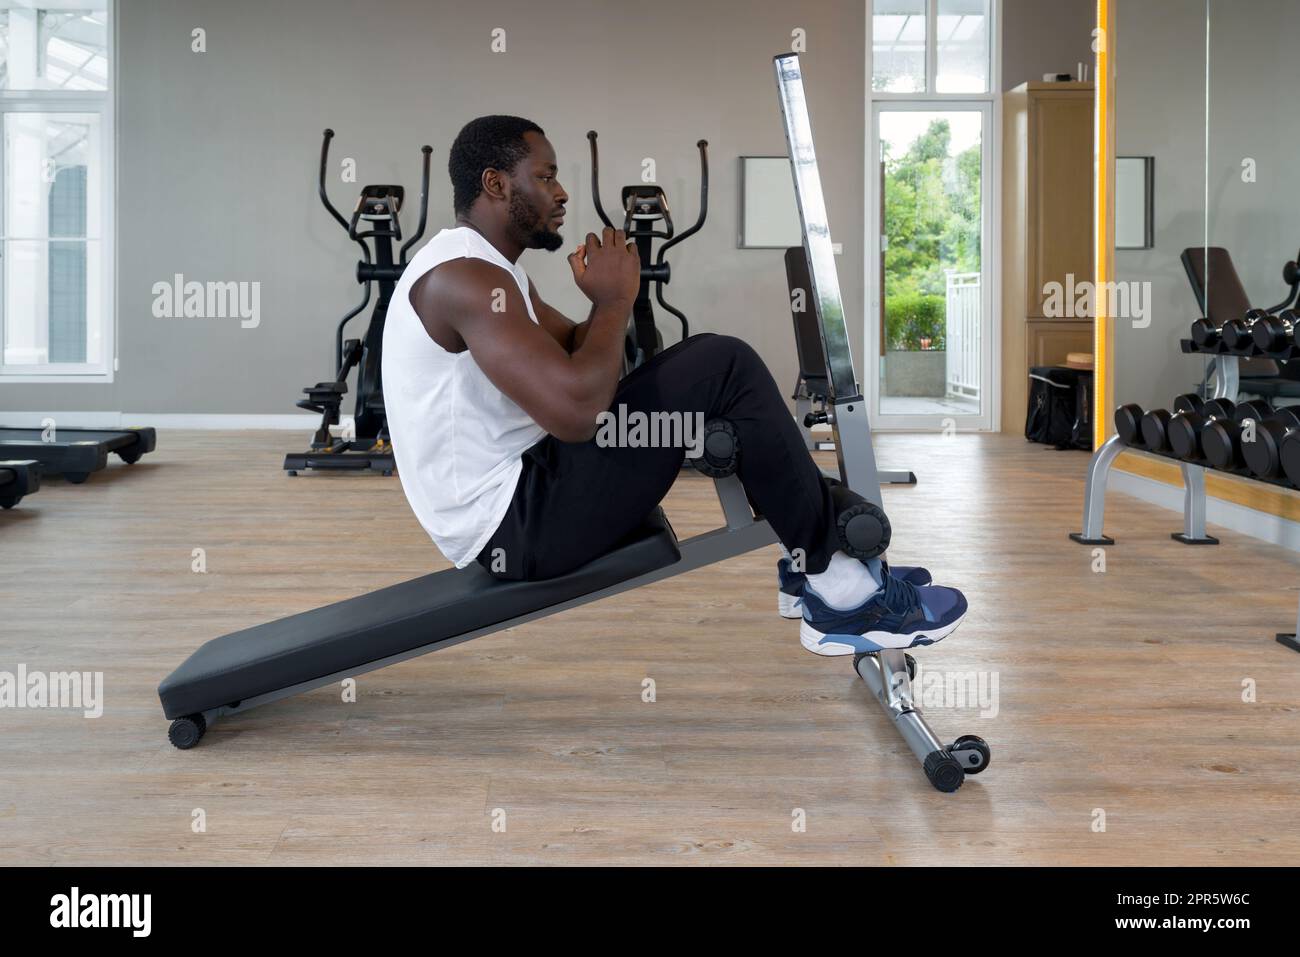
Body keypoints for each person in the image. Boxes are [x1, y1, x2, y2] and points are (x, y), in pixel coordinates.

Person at [382, 115, 966, 656]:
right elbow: (578, 408)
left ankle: (808, 564)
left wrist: (611, 304)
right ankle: (844, 599)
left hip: (532, 486)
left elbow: (583, 351)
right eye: (546, 176)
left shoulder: (493, 271)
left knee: (713, 368)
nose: (560, 194)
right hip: (518, 522)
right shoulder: (462, 278)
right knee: (723, 364)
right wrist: (616, 300)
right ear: (496, 183)